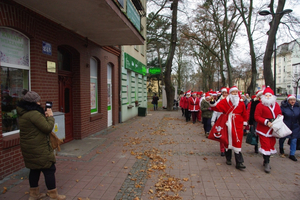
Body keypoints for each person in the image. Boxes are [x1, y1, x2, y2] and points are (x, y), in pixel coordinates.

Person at [17, 91, 66, 200]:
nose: (40, 103)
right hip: (38, 147)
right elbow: (47, 127)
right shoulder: (33, 114)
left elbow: (35, 127)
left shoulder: (24, 113)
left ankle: (34, 195)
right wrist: (51, 116)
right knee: (49, 169)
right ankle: (53, 195)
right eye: (38, 101)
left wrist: (43, 116)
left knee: (34, 169)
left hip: (29, 147)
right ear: (34, 102)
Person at [210, 86, 248, 170]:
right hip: (227, 123)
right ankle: (228, 158)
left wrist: (244, 123)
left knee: (237, 141)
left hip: (237, 124)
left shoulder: (241, 103)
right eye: (233, 92)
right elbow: (216, 107)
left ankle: (239, 162)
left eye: (235, 92)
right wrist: (212, 101)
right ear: (230, 93)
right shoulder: (225, 102)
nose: (234, 94)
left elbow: (244, 114)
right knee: (227, 140)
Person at [254, 86, 282, 173]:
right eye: (266, 95)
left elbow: (279, 113)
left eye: (270, 95)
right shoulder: (260, 105)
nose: (268, 97)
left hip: (273, 129)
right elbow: (257, 117)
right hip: (264, 129)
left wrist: (280, 117)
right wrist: (266, 121)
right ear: (263, 96)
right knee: (265, 145)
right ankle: (267, 162)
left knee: (271, 145)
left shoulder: (276, 105)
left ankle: (266, 160)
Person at [280, 94, 300, 161]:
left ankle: (292, 154)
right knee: (283, 138)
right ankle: (281, 148)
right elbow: (280, 115)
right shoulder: (284, 107)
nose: (292, 101)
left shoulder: (297, 107)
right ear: (288, 100)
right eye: (291, 100)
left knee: (294, 140)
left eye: (294, 100)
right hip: (286, 125)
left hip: (295, 126)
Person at [211, 87, 228, 156]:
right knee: (221, 135)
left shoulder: (231, 101)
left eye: (226, 93)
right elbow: (215, 110)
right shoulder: (219, 101)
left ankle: (227, 148)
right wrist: (213, 120)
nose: (224, 94)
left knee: (228, 135)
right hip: (221, 120)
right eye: (223, 93)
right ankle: (222, 150)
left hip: (229, 120)